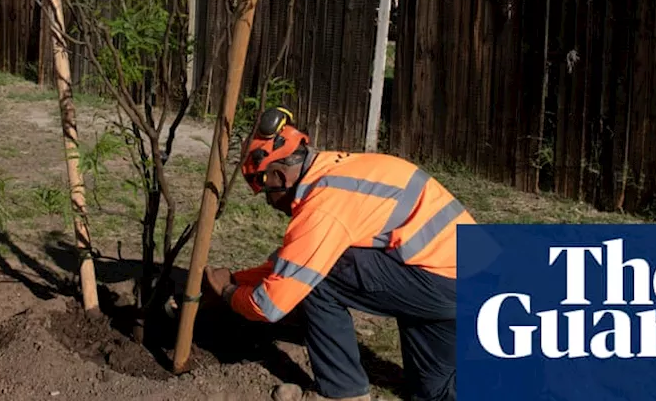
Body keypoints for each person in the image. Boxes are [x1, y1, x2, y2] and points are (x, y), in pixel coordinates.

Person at [201, 107, 475, 401]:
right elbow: (296, 260)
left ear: (279, 175)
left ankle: (343, 393)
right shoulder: (337, 169)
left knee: (322, 275)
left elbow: (270, 305)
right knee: (434, 394)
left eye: (265, 191)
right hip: (462, 277)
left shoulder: (324, 206)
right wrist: (238, 278)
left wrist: (228, 291)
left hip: (442, 282)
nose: (269, 204)